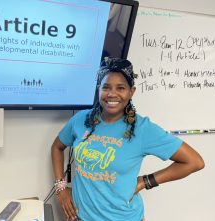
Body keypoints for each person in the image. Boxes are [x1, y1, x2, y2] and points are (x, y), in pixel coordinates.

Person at [51, 57, 205, 221]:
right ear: (99, 89)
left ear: (131, 92)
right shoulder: (81, 119)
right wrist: (61, 187)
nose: (112, 94)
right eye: (106, 87)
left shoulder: (142, 129)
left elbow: (194, 162)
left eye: (121, 88)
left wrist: (144, 182)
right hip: (81, 216)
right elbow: (57, 147)